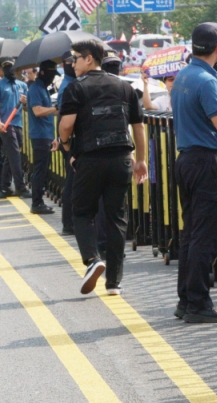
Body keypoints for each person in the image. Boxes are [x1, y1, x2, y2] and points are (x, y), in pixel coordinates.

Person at [58, 39, 147, 296]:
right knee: (116, 218)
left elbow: (66, 125)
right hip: (121, 159)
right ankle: (114, 283)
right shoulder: (124, 87)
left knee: (82, 212)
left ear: (89, 59)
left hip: (90, 159)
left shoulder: (76, 88)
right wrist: (141, 160)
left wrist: (67, 147)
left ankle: (93, 259)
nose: (72, 64)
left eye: (75, 58)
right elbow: (138, 127)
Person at [170, 22, 217, 323]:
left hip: (186, 159)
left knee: (191, 233)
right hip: (206, 162)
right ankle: (198, 303)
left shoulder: (184, 75)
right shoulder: (207, 81)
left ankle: (186, 299)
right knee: (204, 236)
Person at [0, 60, 28, 198]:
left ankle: (4, 187)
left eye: (11, 67)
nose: (9, 69)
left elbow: (26, 108)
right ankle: (20, 187)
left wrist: (25, 103)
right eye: (6, 67)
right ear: (2, 69)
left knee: (10, 156)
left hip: (18, 124)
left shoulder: (22, 85)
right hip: (6, 125)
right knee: (15, 155)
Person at [27, 61, 58, 214]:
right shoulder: (35, 89)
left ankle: (38, 201)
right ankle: (37, 203)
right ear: (44, 73)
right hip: (40, 136)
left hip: (45, 134)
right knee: (40, 171)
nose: (53, 78)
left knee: (43, 170)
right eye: (51, 74)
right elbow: (38, 111)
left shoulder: (43, 88)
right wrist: (55, 108)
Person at [57, 56, 78, 234]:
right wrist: (65, 143)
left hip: (68, 138)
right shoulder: (68, 86)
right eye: (70, 62)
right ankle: (69, 222)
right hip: (70, 140)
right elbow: (65, 118)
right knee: (72, 180)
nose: (73, 65)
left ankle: (69, 221)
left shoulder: (71, 83)